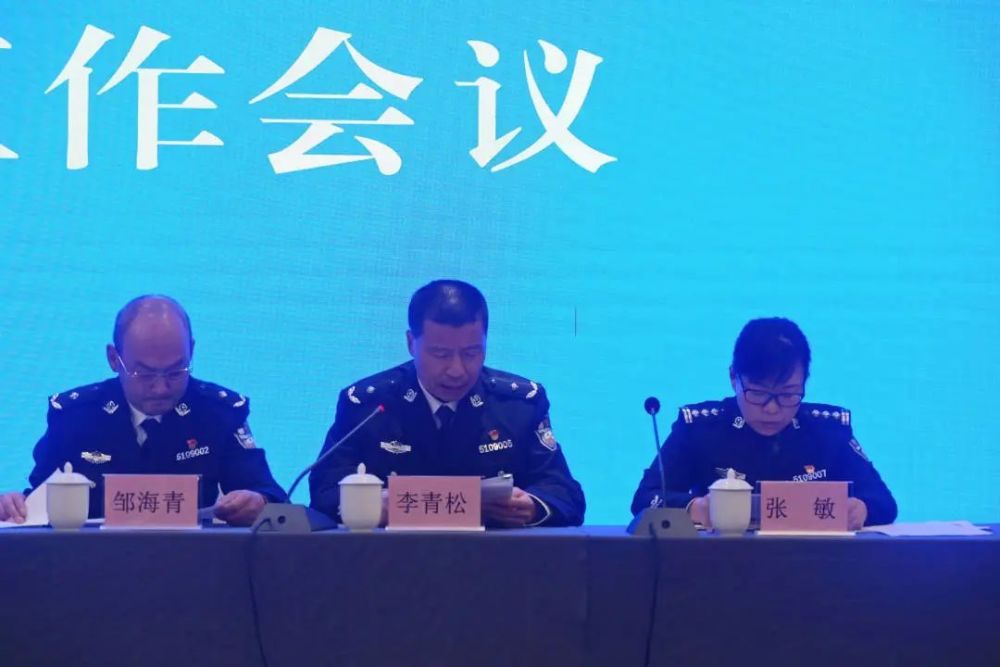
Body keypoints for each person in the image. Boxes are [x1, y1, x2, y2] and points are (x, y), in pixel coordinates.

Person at [309, 280, 585, 527]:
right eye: (440, 354)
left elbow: (563, 492)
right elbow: (324, 492)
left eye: (471, 353)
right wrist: (369, 505)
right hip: (389, 560)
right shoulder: (367, 405)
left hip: (494, 560)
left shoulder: (518, 405)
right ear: (411, 343)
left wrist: (533, 507)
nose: (457, 370)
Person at [0, 295, 287, 526]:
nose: (161, 387)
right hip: (92, 567)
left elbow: (272, 499)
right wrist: (13, 506)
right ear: (114, 359)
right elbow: (38, 502)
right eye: (145, 374)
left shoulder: (219, 414)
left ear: (192, 351)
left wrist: (258, 502)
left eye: (176, 371)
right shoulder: (75, 417)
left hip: (194, 566)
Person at [631, 317, 897, 529]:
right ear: (733, 378)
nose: (772, 409)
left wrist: (861, 509)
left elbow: (883, 502)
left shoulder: (828, 431)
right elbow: (645, 499)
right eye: (758, 393)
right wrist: (694, 508)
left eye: (788, 394)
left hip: (813, 565)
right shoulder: (700, 429)